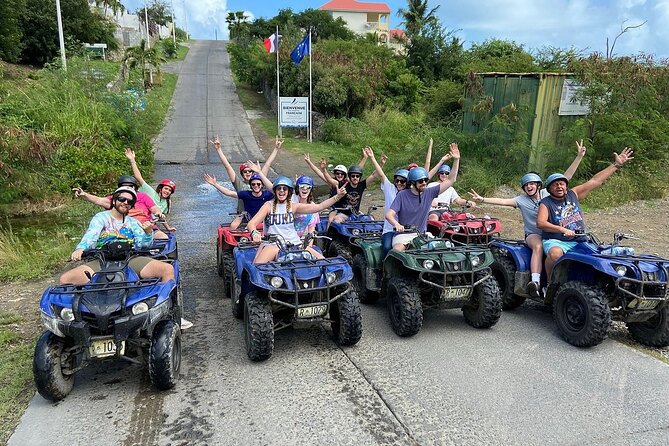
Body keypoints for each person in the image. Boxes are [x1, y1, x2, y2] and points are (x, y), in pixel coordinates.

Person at [468, 140, 588, 298]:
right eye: (526, 185)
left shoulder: (548, 193)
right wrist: (482, 199)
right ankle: (536, 282)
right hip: (534, 233)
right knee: (538, 246)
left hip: (554, 234)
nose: (529, 187)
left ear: (538, 185)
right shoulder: (521, 200)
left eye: (532, 184)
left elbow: (566, 177)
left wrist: (579, 156)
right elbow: (503, 201)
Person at [537, 147, 634, 281]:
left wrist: (616, 165)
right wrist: (561, 229)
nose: (559, 187)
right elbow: (541, 223)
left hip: (579, 240)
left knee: (600, 256)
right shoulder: (546, 202)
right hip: (556, 240)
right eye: (555, 185)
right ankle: (550, 284)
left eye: (562, 184)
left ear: (566, 186)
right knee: (555, 254)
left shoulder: (573, 194)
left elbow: (595, 181)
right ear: (549, 189)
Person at [60, 187, 174, 285]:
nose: (125, 202)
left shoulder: (134, 223)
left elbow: (142, 246)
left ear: (132, 206)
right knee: (66, 279)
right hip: (102, 260)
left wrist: (149, 233)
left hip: (130, 259)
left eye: (129, 201)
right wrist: (81, 248)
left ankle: (166, 305)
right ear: (114, 200)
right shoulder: (101, 218)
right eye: (121, 199)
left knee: (167, 269)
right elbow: (91, 235)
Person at [248, 177, 347, 264]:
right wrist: (254, 233)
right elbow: (252, 223)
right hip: (273, 244)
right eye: (279, 188)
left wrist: (337, 197)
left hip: (295, 244)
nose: (281, 191)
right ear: (275, 190)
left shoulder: (294, 206)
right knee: (257, 267)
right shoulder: (268, 206)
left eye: (284, 188)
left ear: (289, 191)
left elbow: (319, 207)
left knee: (323, 261)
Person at [386, 144, 461, 251]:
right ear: (412, 183)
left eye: (425, 180)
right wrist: (396, 224)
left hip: (422, 235)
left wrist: (456, 160)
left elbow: (451, 180)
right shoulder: (402, 195)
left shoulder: (429, 192)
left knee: (443, 249)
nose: (424, 183)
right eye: (421, 181)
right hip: (403, 235)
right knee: (396, 252)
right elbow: (389, 214)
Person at [74, 175, 169, 240]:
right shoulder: (115, 199)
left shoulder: (143, 196)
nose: (125, 202)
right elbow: (99, 200)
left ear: (135, 187)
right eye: (125, 186)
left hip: (145, 227)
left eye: (131, 186)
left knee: (163, 238)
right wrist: (84, 195)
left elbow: (154, 208)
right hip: (122, 229)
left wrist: (158, 213)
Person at [211, 135, 281, 214]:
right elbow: (228, 167)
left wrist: (276, 149)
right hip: (243, 214)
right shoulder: (239, 183)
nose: (248, 173)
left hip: (260, 215)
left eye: (250, 171)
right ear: (242, 174)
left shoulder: (259, 179)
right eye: (245, 171)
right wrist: (219, 150)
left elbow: (268, 164)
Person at [203, 161, 274, 229]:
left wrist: (259, 172)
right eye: (253, 184)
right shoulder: (246, 194)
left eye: (258, 184)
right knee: (233, 225)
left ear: (262, 185)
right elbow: (229, 193)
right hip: (247, 217)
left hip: (263, 218)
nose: (256, 186)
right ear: (251, 186)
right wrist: (215, 184)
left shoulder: (267, 194)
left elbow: (275, 190)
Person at [124, 148, 176, 232]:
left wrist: (168, 228)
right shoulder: (149, 191)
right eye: (166, 188)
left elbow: (160, 216)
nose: (167, 191)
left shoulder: (166, 203)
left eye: (170, 190)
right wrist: (132, 160)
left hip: (149, 225)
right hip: (138, 219)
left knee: (163, 238)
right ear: (160, 188)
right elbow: (138, 177)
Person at [363, 147, 408, 235]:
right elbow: (381, 175)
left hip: (406, 231)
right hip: (389, 230)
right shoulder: (390, 188)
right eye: (397, 181)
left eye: (402, 181)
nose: (399, 183)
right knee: (387, 246)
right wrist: (372, 158)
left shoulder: (410, 193)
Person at [292, 175, 321, 241]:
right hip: (286, 239)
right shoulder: (292, 200)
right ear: (297, 188)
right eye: (302, 186)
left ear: (311, 189)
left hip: (302, 240)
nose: (305, 189)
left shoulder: (313, 207)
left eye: (308, 187)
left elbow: (311, 232)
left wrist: (308, 248)